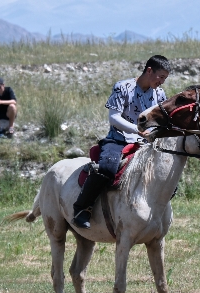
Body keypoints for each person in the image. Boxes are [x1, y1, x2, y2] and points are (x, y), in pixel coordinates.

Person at [72, 55, 171, 229]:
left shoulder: (160, 94)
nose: (162, 82)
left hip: (146, 142)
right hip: (118, 139)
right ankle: (82, 208)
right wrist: (137, 130)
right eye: (161, 77)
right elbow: (114, 118)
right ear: (149, 70)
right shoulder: (122, 87)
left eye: (165, 78)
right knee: (107, 167)